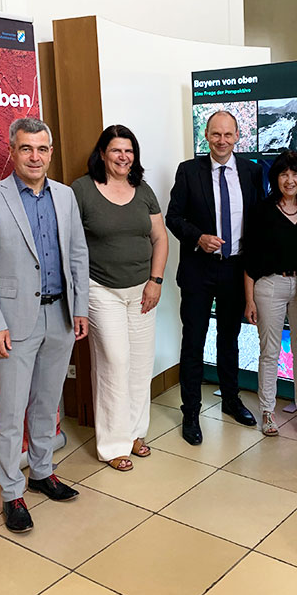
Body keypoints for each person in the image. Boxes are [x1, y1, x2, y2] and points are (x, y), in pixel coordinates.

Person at [0, 118, 89, 533]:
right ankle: (11, 493)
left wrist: (81, 308)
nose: (34, 157)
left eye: (41, 149)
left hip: (60, 315)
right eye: (26, 149)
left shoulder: (66, 197)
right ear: (12, 152)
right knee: (11, 410)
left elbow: (78, 255)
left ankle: (41, 472)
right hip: (13, 323)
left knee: (47, 402)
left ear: (50, 153)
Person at [72, 125, 168, 472]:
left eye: (129, 151)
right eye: (116, 150)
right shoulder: (82, 190)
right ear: (102, 153)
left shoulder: (143, 191)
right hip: (101, 289)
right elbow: (70, 245)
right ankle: (113, 444)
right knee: (114, 361)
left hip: (142, 289)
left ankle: (135, 433)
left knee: (141, 365)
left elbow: (160, 238)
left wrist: (155, 281)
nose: (123, 157)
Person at [166, 109, 265, 444]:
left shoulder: (251, 172)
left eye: (228, 135)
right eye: (215, 134)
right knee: (193, 342)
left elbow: (259, 219)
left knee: (230, 339)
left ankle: (231, 399)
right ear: (206, 136)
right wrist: (198, 237)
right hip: (198, 269)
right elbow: (173, 217)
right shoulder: (188, 171)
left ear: (238, 137)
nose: (222, 141)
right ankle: (190, 411)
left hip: (235, 270)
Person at [244, 151, 297, 438]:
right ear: (275, 177)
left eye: (295, 173)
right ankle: (267, 410)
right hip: (269, 286)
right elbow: (249, 258)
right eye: (284, 173)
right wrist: (249, 299)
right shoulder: (262, 210)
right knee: (269, 352)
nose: (290, 179)